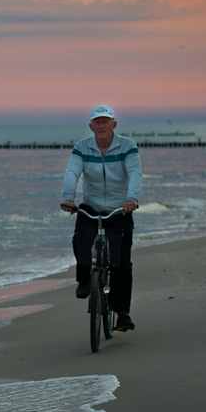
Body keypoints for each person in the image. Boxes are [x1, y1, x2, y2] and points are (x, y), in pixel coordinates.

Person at [60, 105, 142, 331]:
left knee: (122, 262)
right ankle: (85, 279)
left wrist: (131, 198)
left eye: (106, 121)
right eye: (97, 122)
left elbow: (135, 173)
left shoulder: (128, 146)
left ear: (114, 124)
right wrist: (69, 197)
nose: (101, 125)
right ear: (91, 126)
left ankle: (123, 312)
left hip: (120, 209)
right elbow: (72, 172)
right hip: (91, 207)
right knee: (80, 239)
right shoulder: (82, 148)